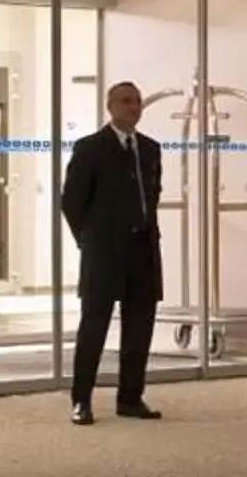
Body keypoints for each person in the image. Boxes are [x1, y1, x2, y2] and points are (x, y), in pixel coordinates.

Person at [61, 80, 165, 423]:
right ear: (111, 107)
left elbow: (152, 197)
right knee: (94, 326)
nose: (133, 107)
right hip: (104, 253)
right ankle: (82, 401)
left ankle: (131, 398)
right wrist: (89, 240)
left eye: (137, 101)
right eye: (125, 101)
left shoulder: (150, 149)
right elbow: (72, 202)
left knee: (139, 328)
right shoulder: (90, 148)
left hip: (142, 251)